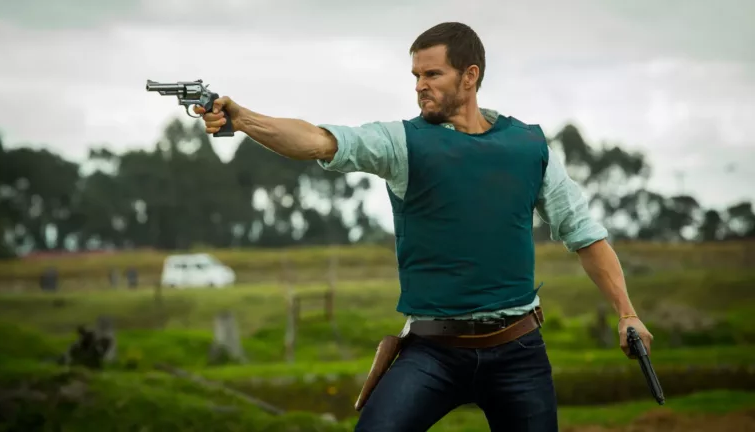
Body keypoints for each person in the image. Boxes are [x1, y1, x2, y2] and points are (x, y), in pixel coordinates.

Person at [194, 21, 654, 432]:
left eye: (432, 74)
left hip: (518, 350)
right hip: (433, 352)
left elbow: (585, 235)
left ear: (469, 76)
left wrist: (626, 312)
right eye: (415, 76)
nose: (420, 86)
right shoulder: (401, 143)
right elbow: (319, 140)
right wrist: (244, 119)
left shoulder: (528, 147)